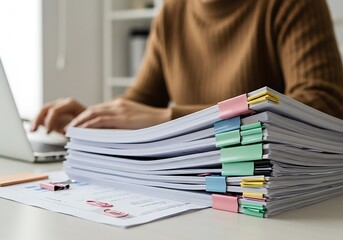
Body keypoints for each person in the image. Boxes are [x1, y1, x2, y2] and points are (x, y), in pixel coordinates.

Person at [31, 0, 343, 134]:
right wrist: (94, 123)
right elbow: (137, 109)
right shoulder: (173, 12)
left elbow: (323, 105)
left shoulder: (291, 4)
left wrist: (172, 118)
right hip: (192, 187)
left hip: (268, 195)